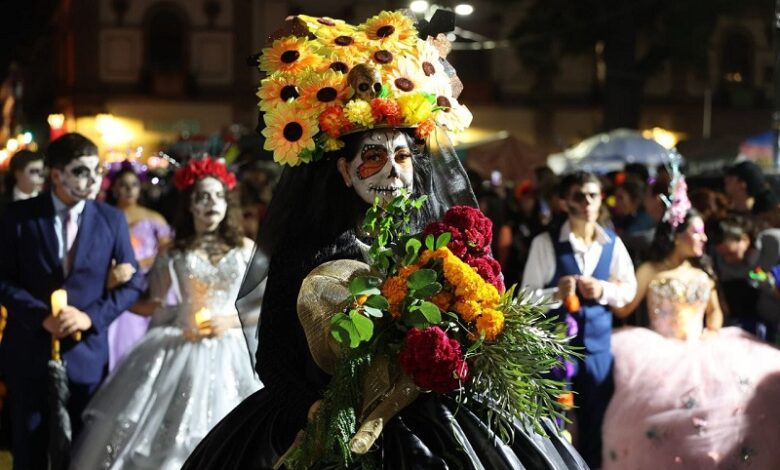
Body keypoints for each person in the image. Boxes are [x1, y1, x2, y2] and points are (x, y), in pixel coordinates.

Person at [183, 11, 586, 470]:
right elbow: (274, 357)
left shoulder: (435, 244)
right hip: (327, 423)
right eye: (372, 158)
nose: (393, 171)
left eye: (401, 156)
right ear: (344, 170)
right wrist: (318, 413)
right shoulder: (306, 250)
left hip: (427, 425)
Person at [69, 158, 261, 469]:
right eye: (202, 196)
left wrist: (230, 320)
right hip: (180, 344)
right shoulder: (174, 251)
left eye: (218, 195)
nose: (211, 203)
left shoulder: (245, 249)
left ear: (228, 202)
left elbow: (262, 306)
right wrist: (109, 291)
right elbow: (151, 301)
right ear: (189, 205)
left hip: (232, 349)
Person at [603, 176, 780, 469]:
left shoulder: (704, 271)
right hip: (660, 352)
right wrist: (607, 288)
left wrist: (712, 331)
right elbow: (625, 309)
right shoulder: (651, 269)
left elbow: (715, 312)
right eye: (697, 233)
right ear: (677, 235)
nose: (704, 238)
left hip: (703, 348)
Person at [0, 133, 143, 469]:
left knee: (82, 453)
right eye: (81, 171)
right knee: (29, 451)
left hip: (85, 354)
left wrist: (89, 317)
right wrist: (40, 316)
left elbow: (133, 282)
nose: (93, 180)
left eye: (98, 170)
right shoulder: (19, 216)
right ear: (56, 175)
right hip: (28, 350)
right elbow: (2, 279)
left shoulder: (111, 218)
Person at [522, 170, 637, 468]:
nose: (586, 202)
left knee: (596, 421)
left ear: (601, 200)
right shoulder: (545, 243)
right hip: (556, 349)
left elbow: (628, 290)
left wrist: (602, 289)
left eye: (592, 195)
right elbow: (524, 298)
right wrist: (555, 294)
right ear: (564, 202)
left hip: (598, 348)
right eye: (578, 195)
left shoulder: (612, 243)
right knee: (554, 421)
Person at [104, 161, 171, 370]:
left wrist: (145, 264)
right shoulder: (105, 216)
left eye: (133, 184)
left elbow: (167, 251)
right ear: (114, 188)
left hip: (147, 284)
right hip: (114, 284)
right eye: (123, 184)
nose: (129, 189)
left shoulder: (153, 218)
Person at [708, 214, 780, 342]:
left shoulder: (773, 243)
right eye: (723, 256)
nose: (728, 260)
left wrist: (767, 282)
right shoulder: (723, 268)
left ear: (745, 239)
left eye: (731, 253)